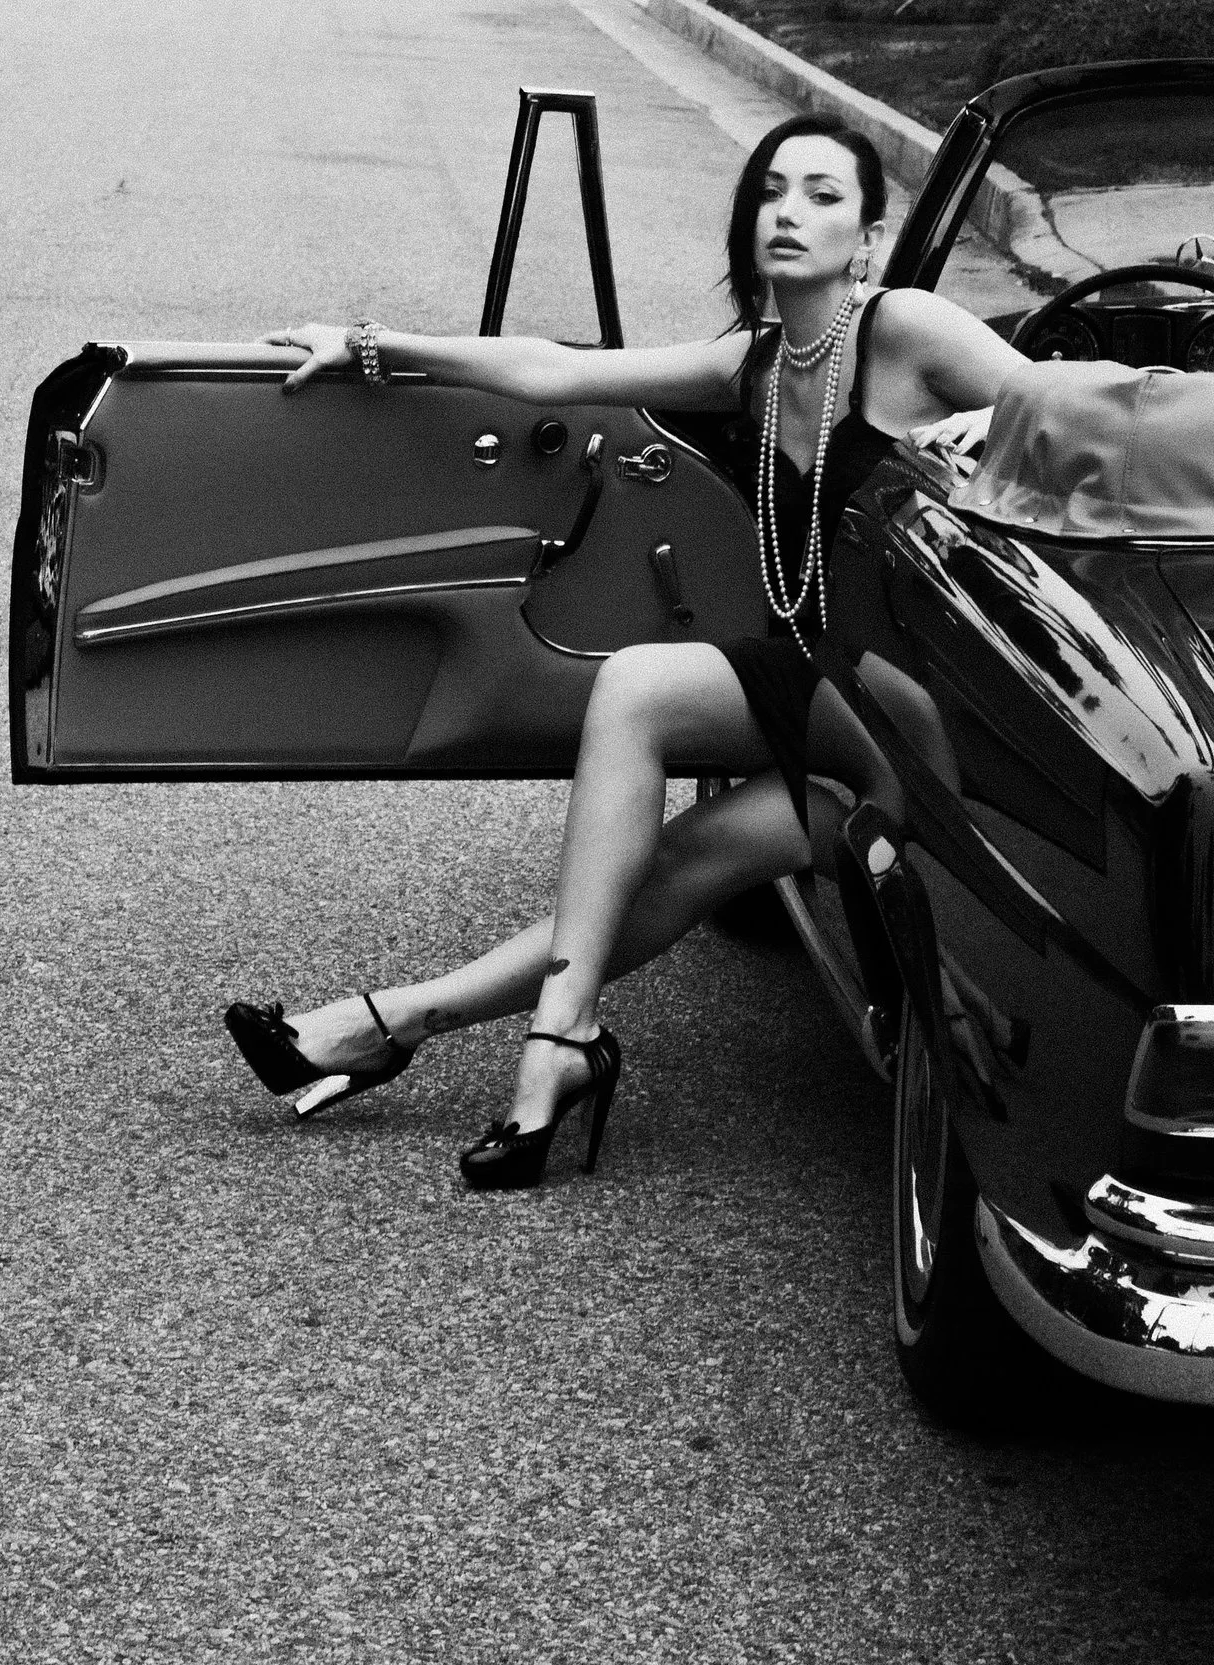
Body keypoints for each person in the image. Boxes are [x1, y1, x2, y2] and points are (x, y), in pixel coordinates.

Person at [224, 114, 1022, 1191]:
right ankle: (404, 1026)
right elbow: (555, 374)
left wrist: (997, 437)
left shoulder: (906, 331)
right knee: (679, 850)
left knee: (645, 692)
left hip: (923, 719)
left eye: (824, 196)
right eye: (771, 191)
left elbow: (1086, 408)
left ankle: (538, 1039)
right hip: (841, 704)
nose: (790, 212)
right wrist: (377, 348)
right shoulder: (759, 362)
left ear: (869, 238)